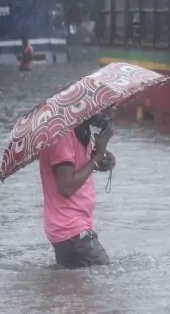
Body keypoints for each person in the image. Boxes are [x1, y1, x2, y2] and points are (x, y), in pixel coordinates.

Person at [38, 113, 117, 268]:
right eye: (104, 108)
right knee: (109, 277)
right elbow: (66, 186)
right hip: (71, 229)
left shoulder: (82, 131)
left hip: (75, 228)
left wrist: (100, 160)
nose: (108, 112)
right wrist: (96, 158)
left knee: (77, 289)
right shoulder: (63, 136)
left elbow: (77, 170)